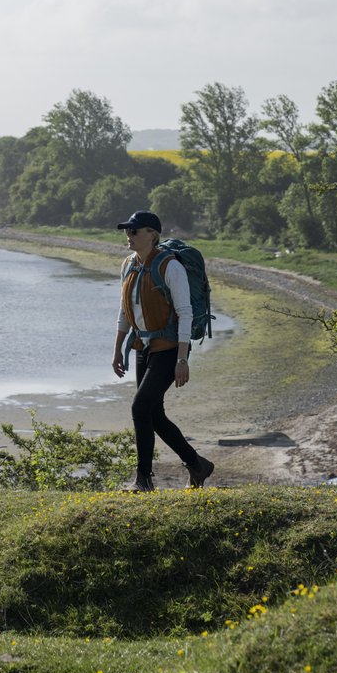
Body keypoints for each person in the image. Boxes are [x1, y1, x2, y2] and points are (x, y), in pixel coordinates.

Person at [111, 209, 214, 493]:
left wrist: (182, 359)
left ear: (152, 235)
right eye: (127, 231)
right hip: (143, 346)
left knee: (139, 407)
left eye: (135, 231)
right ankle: (198, 465)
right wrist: (117, 349)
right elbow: (124, 310)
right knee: (153, 415)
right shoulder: (128, 265)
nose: (128, 236)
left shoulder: (171, 267)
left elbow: (185, 313)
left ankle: (143, 479)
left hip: (169, 349)